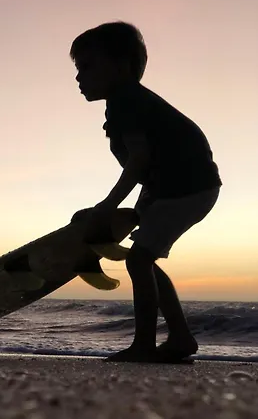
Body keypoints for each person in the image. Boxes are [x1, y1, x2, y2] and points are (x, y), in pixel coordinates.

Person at [69, 22, 222, 363]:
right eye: (78, 69)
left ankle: (144, 345)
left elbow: (139, 160)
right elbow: (147, 164)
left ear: (121, 66)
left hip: (187, 188)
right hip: (172, 188)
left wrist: (108, 205)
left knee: (139, 260)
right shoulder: (124, 102)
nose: (79, 77)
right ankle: (180, 338)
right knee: (144, 260)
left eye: (87, 66)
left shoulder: (127, 100)